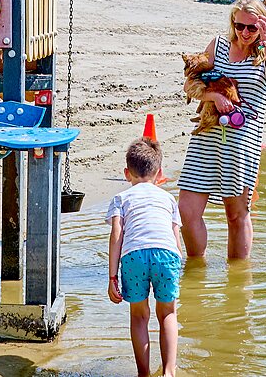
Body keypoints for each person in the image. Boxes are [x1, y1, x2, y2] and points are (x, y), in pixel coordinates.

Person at [178, 0, 266, 261]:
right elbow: (190, 84)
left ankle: (238, 276)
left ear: (263, 25)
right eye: (240, 26)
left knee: (236, 214)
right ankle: (196, 266)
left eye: (252, 27)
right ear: (233, 23)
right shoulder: (218, 45)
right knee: (187, 210)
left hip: (242, 142)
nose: (245, 33)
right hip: (206, 135)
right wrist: (214, 97)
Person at [108, 137, 183, 377]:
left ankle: (143, 373)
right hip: (166, 255)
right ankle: (169, 372)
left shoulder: (121, 199)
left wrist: (112, 277)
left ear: (126, 173)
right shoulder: (168, 198)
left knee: (139, 316)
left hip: (134, 256)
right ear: (159, 173)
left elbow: (117, 235)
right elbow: (176, 238)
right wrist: (178, 267)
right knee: (168, 313)